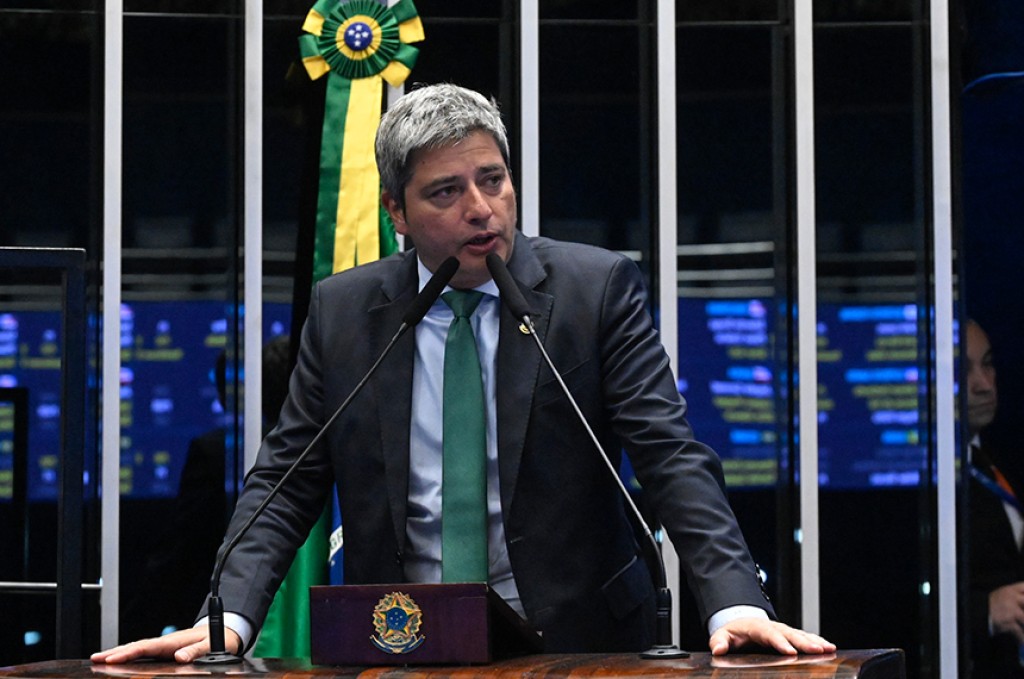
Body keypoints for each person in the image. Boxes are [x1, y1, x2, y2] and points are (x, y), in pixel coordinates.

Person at [92, 83, 834, 664]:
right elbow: (285, 483)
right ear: (397, 211)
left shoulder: (594, 290)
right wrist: (228, 617)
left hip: (581, 642)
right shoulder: (347, 312)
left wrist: (734, 599)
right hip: (402, 641)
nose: (482, 210)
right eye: (446, 191)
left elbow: (671, 455)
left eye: (493, 180)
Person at [965, 319, 1024, 677]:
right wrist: (984, 611)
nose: (984, 385)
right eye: (963, 371)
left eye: (987, 364)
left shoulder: (998, 457)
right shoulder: (917, 483)